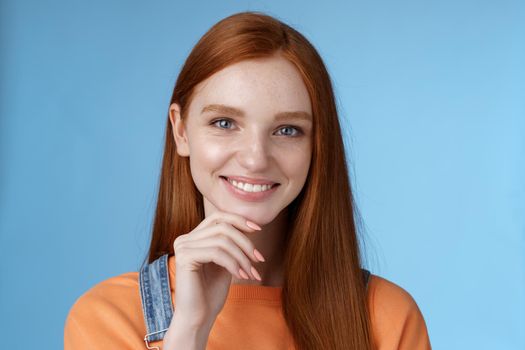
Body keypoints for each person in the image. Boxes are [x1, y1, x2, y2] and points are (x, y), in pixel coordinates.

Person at [64, 11, 431, 350]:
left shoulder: (386, 318)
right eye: (224, 123)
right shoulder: (107, 318)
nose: (255, 158)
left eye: (288, 130)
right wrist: (190, 329)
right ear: (181, 131)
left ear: (318, 145)